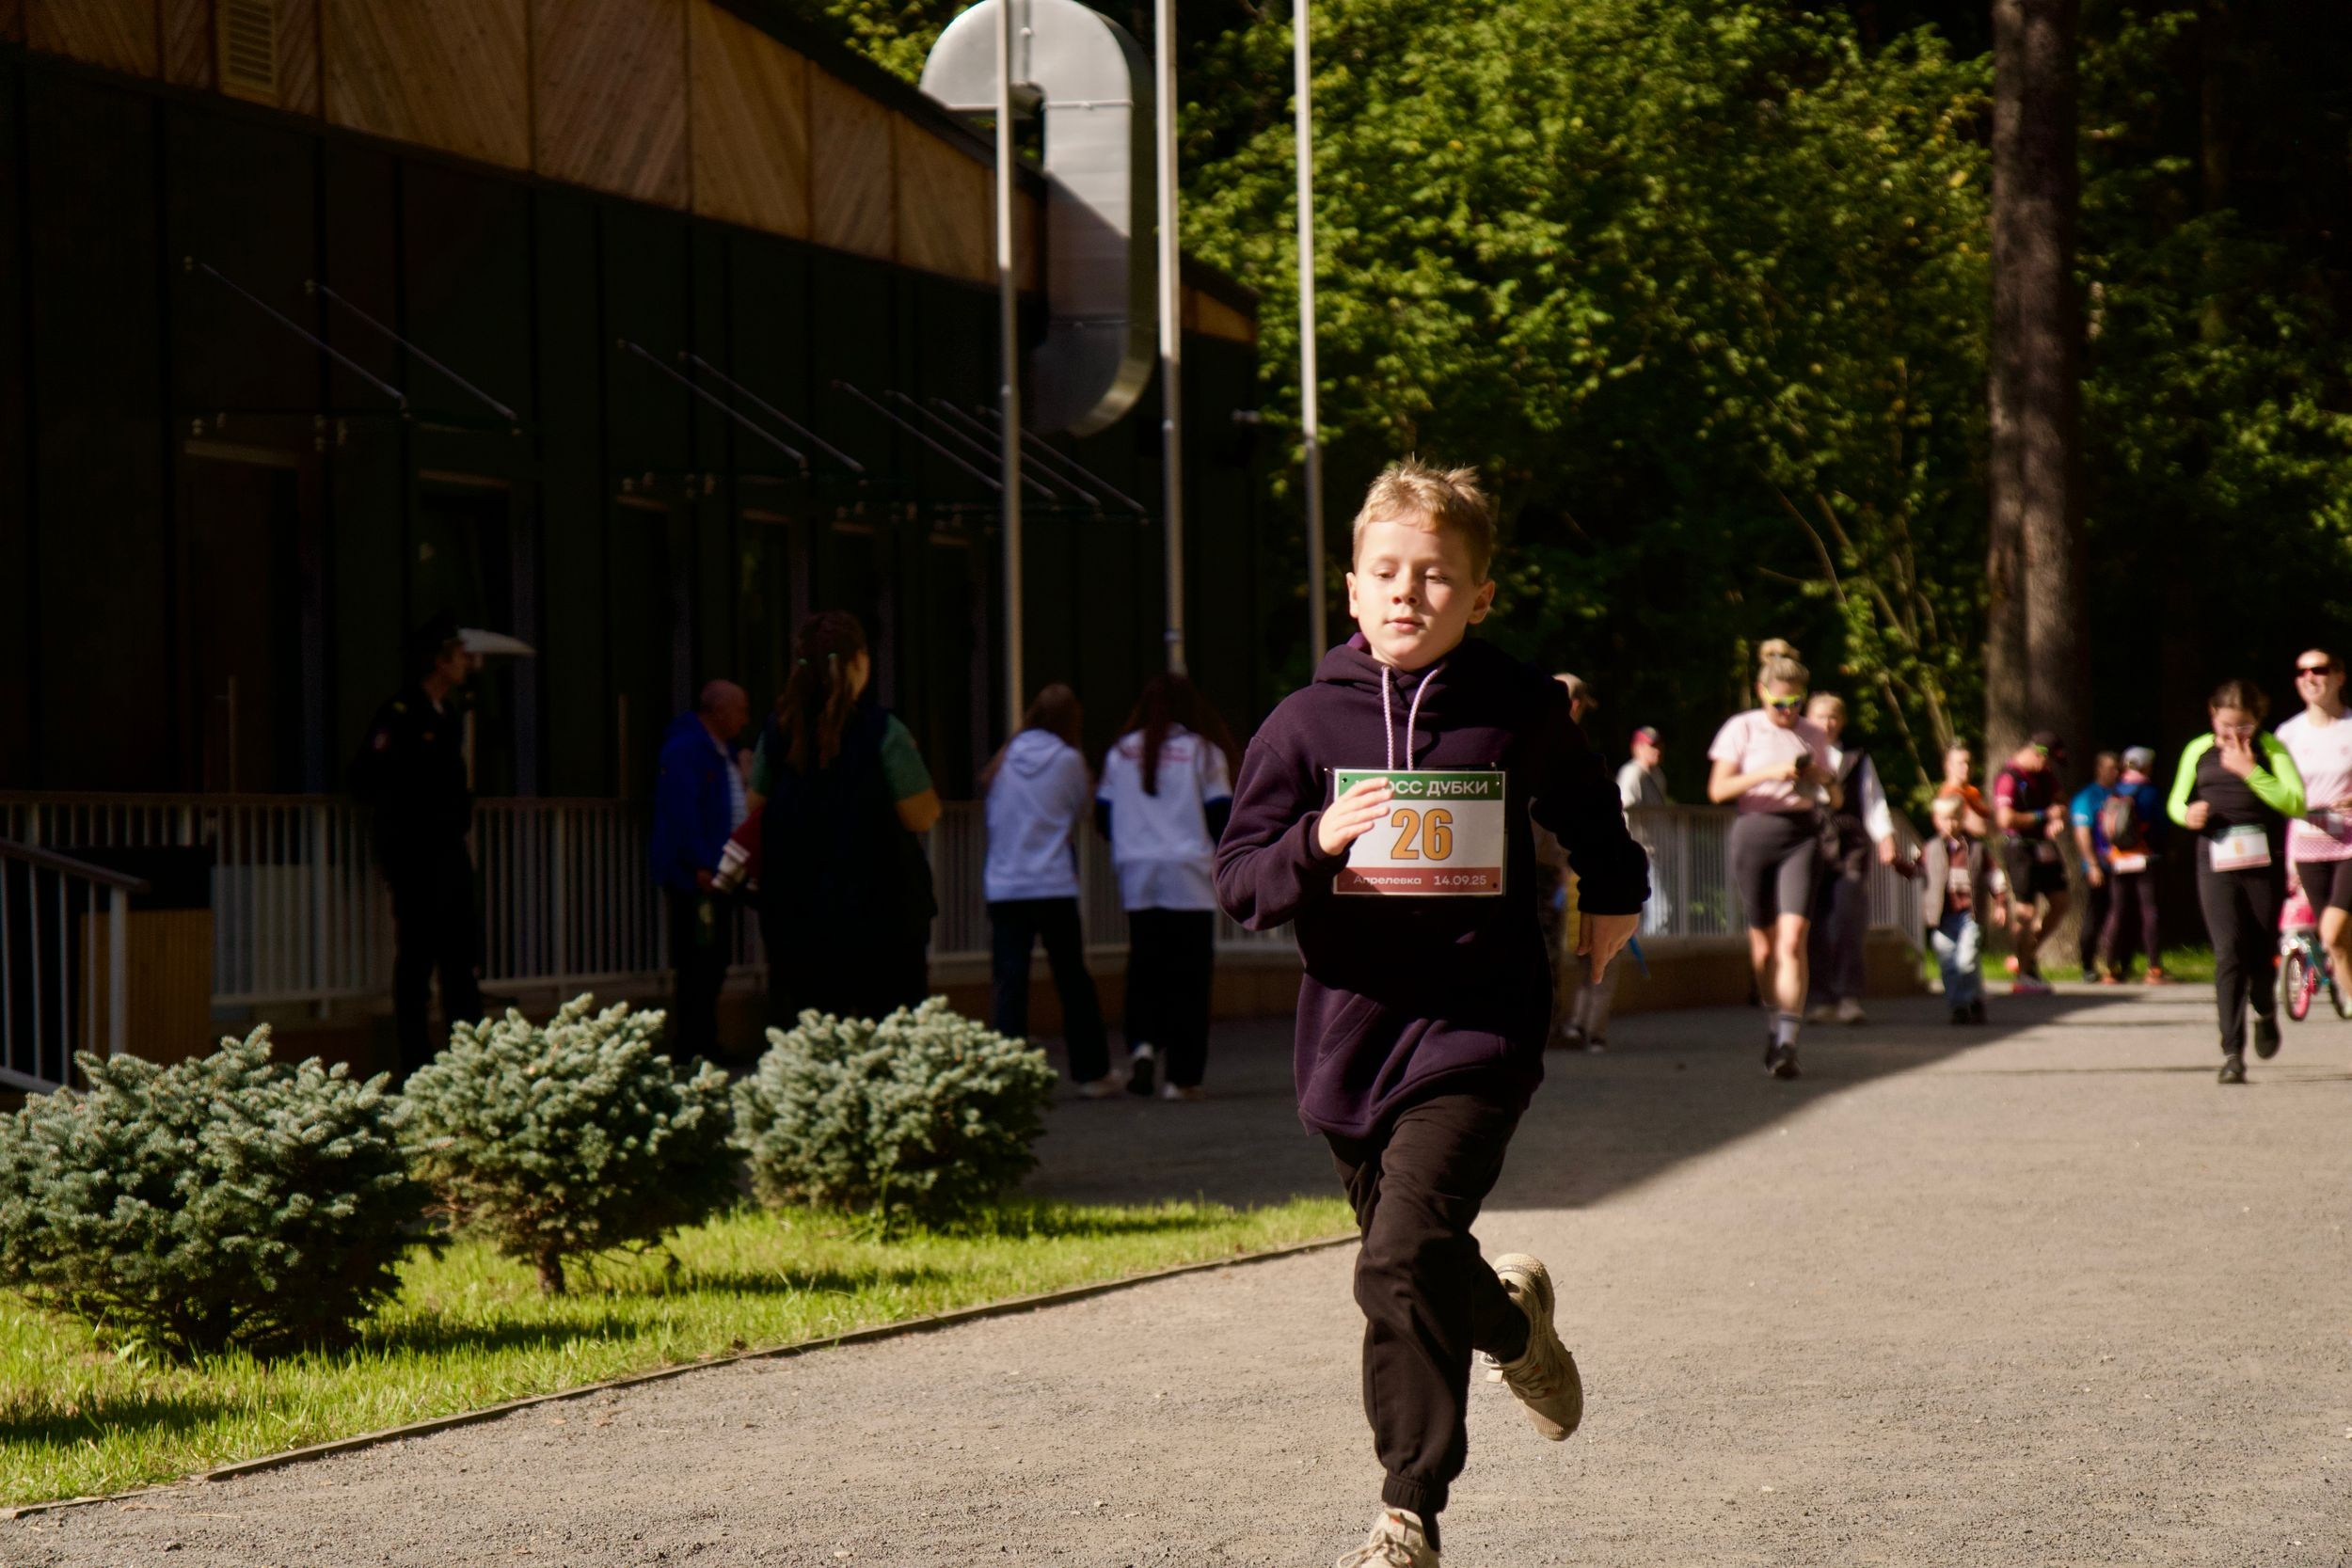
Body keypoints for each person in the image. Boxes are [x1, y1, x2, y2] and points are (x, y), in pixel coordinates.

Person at [1216, 459, 1646, 1568]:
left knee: (1397, 1256)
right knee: (1419, 1256)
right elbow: (1238, 879)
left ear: (1481, 595)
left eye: (1437, 577)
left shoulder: (1518, 708)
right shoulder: (1303, 724)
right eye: (1386, 573)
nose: (1409, 594)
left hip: (1479, 1026)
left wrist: (1614, 894)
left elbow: (1590, 807)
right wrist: (1312, 843)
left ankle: (1407, 1506)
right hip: (1349, 1039)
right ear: (1350, 587)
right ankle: (1509, 1324)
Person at [751, 611, 942, 1024]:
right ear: (858, 661)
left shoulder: (776, 732)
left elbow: (754, 807)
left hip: (795, 912)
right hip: (882, 912)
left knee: (808, 1029)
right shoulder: (882, 731)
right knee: (890, 1029)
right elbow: (921, 816)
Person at [348, 614, 484, 1084]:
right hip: (415, 853)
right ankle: (417, 1062)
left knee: (461, 956)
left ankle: (466, 1057)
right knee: (418, 957)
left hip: (448, 849)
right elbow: (370, 775)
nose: (468, 664)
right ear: (439, 661)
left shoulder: (451, 715)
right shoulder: (402, 713)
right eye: (459, 656)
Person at [1098, 674, 1237, 1101]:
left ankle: (1141, 1047)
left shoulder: (1121, 752)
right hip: (1188, 875)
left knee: (1144, 966)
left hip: (1138, 873)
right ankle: (1182, 1076)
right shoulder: (1202, 752)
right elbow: (1221, 815)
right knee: (1189, 977)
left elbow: (1104, 815)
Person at [1708, 640, 1839, 1080]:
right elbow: (1718, 790)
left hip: (1801, 834)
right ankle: (1772, 1021)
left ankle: (1788, 1040)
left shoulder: (1812, 734)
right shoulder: (1741, 728)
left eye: (1796, 702)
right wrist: (1770, 772)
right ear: (1763, 693)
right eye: (1780, 701)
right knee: (1763, 948)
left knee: (1792, 939)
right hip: (1754, 831)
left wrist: (1822, 777)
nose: (1788, 710)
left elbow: (1835, 797)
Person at [2168, 679, 2305, 1085]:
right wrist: (2187, 814)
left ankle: (2264, 1008)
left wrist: (2251, 771)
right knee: (2228, 952)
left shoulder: (2271, 748)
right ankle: (2232, 1053)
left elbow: (2295, 801)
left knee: (2260, 952)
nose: (2233, 736)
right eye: (2225, 726)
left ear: (2258, 721)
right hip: (2215, 859)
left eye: (2243, 728)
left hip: (2262, 861)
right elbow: (2176, 800)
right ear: (2212, 715)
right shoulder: (2198, 749)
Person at [982, 684, 1113, 1096]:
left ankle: (1007, 1077)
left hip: (1004, 884)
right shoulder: (1069, 760)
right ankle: (1091, 1073)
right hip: (1052, 881)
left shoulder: (1005, 757)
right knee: (1072, 979)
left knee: (1009, 982)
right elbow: (1081, 809)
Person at [649, 679, 752, 1062]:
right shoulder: (687, 750)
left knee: (711, 961)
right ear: (718, 710)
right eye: (739, 709)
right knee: (698, 964)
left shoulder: (719, 750)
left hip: (718, 868)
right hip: (699, 874)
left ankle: (703, 1041)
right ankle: (695, 1045)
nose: (744, 718)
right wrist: (700, 864)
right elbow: (682, 811)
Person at [1804, 693, 1899, 1025]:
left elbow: (1873, 802)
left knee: (1847, 920)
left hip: (1849, 847)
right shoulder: (1797, 755)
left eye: (1832, 717)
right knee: (1813, 924)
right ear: (1807, 717)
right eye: (1819, 716)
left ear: (1841, 722)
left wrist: (1885, 838)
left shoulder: (1857, 759)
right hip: (1809, 845)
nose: (1825, 723)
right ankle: (1820, 998)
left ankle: (1848, 996)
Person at [2275, 647, 2352, 997]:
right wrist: (2290, 856)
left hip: (2350, 843)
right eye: (2302, 671)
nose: (2310, 677)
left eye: (2319, 669)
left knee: (2334, 933)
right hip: (2308, 845)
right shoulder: (2287, 734)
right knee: (2334, 937)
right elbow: (2281, 798)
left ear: (2338, 676)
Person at [1992, 732, 2070, 994]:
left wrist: (2058, 816)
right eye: (2047, 762)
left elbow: (2060, 799)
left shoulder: (2044, 775)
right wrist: (2042, 817)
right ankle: (2025, 973)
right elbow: (2005, 819)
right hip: (2020, 848)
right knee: (2026, 912)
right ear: (2038, 754)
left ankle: (2026, 955)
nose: (2049, 769)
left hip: (2044, 847)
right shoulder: (2009, 777)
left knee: (2061, 902)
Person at [1920, 793, 2006, 1024]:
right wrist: (1899, 863)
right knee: (1948, 964)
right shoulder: (1931, 849)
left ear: (1963, 818)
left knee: (1966, 960)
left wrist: (2000, 903)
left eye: (1955, 818)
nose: (1950, 823)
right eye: (1945, 818)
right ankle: (1959, 1006)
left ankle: (1973, 999)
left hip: (1969, 914)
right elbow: (1917, 871)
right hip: (1942, 916)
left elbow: (1993, 876)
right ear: (1936, 820)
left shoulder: (1976, 849)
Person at [2097, 746, 2169, 982]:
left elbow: (2103, 828)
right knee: (2149, 910)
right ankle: (2154, 968)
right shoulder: (2149, 792)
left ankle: (2108, 968)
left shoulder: (2114, 792)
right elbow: (2159, 824)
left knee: (2116, 911)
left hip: (2118, 858)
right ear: (2146, 765)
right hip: (2144, 856)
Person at [2069, 751, 2122, 982]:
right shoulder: (2086, 797)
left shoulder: (2120, 794)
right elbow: (2082, 834)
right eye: (2111, 768)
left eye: (2117, 768)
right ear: (2099, 769)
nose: (2116, 772)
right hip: (2099, 865)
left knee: (2120, 914)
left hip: (2123, 863)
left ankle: (2117, 963)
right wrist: (2092, 865)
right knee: (2095, 914)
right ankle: (2088, 965)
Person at [1936, 744, 1991, 836]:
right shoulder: (1949, 795)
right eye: (1961, 763)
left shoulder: (1971, 791)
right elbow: (1981, 827)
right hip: (1960, 848)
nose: (1966, 767)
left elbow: (1991, 815)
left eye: (1969, 763)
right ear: (1948, 766)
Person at [1616, 725, 1670, 810]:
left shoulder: (1658, 774)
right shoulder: (1631, 772)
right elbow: (1625, 807)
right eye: (1652, 746)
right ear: (1637, 748)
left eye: (1659, 745)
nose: (1657, 750)